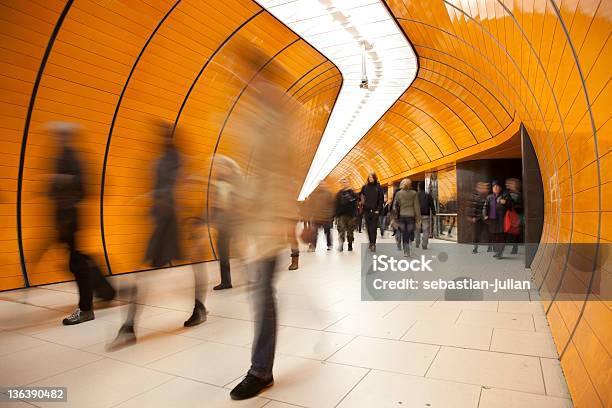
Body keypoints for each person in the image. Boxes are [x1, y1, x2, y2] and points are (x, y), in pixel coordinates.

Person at [229, 52, 303, 401]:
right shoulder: (258, 113)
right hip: (256, 220)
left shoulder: (279, 114)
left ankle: (261, 370)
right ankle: (261, 366)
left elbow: (282, 172)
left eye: (242, 73)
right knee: (258, 292)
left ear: (257, 74)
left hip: (268, 221)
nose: (238, 80)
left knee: (262, 294)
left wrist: (281, 221)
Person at [109, 121, 182, 348]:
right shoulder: (160, 160)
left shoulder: (174, 159)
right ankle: (129, 326)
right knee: (150, 273)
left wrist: (151, 196)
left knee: (146, 274)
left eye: (165, 134)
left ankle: (129, 326)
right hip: (162, 219)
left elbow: (173, 187)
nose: (162, 138)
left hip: (170, 221)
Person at [48, 122, 115, 325]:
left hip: (70, 217)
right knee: (77, 261)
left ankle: (87, 308)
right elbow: (54, 191)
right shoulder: (60, 157)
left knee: (77, 263)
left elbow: (84, 188)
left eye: (61, 135)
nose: (58, 138)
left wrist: (62, 181)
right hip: (64, 217)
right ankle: (103, 290)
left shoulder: (73, 158)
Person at [210, 155, 243, 291]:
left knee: (239, 250)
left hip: (235, 221)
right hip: (223, 222)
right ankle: (226, 281)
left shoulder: (236, 180)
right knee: (222, 251)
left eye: (220, 166)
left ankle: (252, 274)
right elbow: (215, 200)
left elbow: (241, 200)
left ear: (227, 167)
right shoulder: (218, 180)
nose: (217, 168)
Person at [393, 178, 421, 256]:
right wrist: (418, 217)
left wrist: (394, 217)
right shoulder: (414, 193)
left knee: (404, 233)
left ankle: (406, 251)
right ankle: (410, 245)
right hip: (411, 216)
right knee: (410, 232)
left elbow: (394, 206)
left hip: (402, 216)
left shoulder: (398, 193)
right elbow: (416, 206)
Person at [483, 180, 510, 259]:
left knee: (500, 237)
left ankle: (500, 252)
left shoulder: (505, 195)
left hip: (502, 220)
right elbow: (485, 207)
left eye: (497, 186)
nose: (495, 188)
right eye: (494, 186)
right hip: (492, 220)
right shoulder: (489, 197)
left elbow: (511, 205)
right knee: (494, 237)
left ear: (500, 188)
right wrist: (485, 215)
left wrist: (506, 202)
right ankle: (497, 251)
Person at [360, 172, 384, 252]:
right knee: (368, 229)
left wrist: (378, 210)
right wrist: (362, 203)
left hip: (375, 211)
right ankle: (370, 242)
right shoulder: (365, 187)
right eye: (369, 177)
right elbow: (361, 196)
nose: (370, 179)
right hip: (367, 211)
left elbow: (381, 200)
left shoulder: (378, 187)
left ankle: (373, 244)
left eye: (372, 177)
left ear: (374, 178)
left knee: (373, 228)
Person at [308, 182, 334, 250]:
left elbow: (332, 205)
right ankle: (313, 246)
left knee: (327, 232)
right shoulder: (314, 194)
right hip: (316, 217)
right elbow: (310, 204)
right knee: (314, 232)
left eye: (322, 184)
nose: (321, 185)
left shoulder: (329, 193)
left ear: (325, 185)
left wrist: (330, 214)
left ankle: (329, 245)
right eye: (320, 184)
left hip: (325, 217)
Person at [334, 178, 358, 251]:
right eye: (343, 182)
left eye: (346, 182)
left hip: (351, 215)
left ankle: (350, 244)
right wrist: (336, 214)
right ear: (341, 184)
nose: (344, 183)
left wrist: (355, 214)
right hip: (341, 215)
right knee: (341, 230)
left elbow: (356, 202)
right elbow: (336, 204)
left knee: (350, 231)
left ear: (348, 183)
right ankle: (341, 245)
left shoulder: (352, 192)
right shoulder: (339, 193)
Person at [468, 181, 489, 253]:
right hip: (478, 218)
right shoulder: (475, 196)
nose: (484, 189)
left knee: (487, 232)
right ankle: (475, 248)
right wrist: (472, 217)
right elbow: (472, 207)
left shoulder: (485, 196)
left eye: (485, 188)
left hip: (484, 218)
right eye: (482, 187)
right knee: (477, 233)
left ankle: (489, 247)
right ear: (478, 188)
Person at [415, 181, 435, 250]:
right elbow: (432, 205)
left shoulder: (415, 195)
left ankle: (417, 243)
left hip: (417, 215)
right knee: (426, 230)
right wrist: (434, 213)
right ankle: (424, 245)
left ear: (418, 187)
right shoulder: (428, 195)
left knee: (417, 229)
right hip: (426, 215)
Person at [505, 178, 523, 254]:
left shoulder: (519, 194)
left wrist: (510, 203)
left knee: (516, 231)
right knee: (508, 229)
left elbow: (519, 205)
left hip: (516, 214)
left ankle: (514, 248)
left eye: (511, 183)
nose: (508, 185)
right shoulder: (507, 193)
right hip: (509, 214)